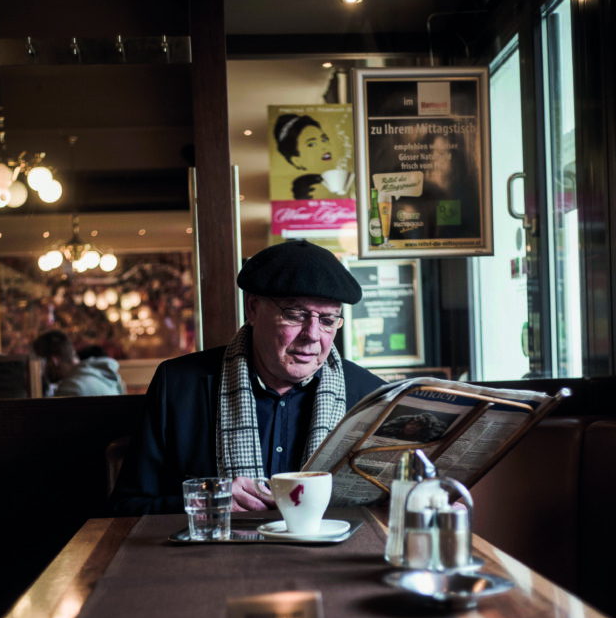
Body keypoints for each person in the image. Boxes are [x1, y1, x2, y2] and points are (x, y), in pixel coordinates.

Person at [111, 239, 383, 515]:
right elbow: (126, 507)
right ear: (252, 308)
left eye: (326, 320)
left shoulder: (371, 396)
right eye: (295, 315)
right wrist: (209, 501)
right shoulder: (179, 386)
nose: (312, 335)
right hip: (213, 558)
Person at [32, 329, 126, 397]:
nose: (41, 371)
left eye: (41, 363)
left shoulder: (70, 389)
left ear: (52, 362)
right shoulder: (102, 376)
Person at [273, 113, 334, 200]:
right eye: (312, 144)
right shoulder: (307, 189)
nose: (324, 146)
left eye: (324, 139)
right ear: (296, 161)